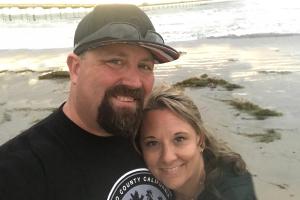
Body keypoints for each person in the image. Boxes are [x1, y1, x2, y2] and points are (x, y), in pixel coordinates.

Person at [0, 4, 180, 200]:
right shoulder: (19, 172)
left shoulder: (156, 137)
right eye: (116, 61)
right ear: (76, 68)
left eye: (144, 66)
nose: (134, 81)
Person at [137, 85, 257, 200]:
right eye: (152, 143)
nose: (167, 157)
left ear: (200, 140)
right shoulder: (142, 178)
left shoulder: (232, 191)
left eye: (179, 139)